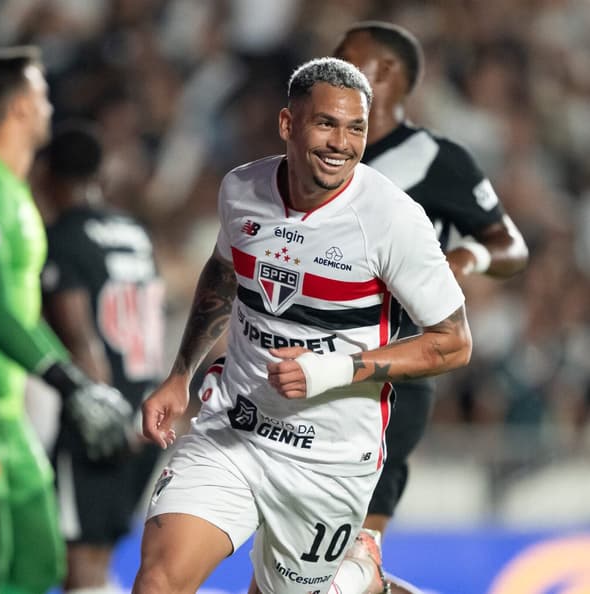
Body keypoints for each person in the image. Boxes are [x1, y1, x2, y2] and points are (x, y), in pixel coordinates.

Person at [130, 57, 473, 594]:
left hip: (328, 459)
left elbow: (453, 344)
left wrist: (335, 369)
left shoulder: (392, 219)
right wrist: (180, 375)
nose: (342, 142)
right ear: (288, 124)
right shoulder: (241, 190)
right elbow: (223, 273)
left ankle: (363, 580)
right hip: (234, 428)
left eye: (355, 127)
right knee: (158, 580)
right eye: (326, 124)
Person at [0, 47, 132, 594]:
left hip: (5, 411)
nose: (49, 107)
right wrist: (71, 384)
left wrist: (77, 383)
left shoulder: (14, 193)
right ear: (18, 108)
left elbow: (21, 312)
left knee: (38, 563)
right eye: (42, 96)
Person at [330, 21, 529, 594]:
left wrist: (463, 261)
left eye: (347, 56)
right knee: (313, 565)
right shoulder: (322, 154)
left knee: (347, 564)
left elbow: (508, 243)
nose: (333, 63)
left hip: (396, 371)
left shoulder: (434, 158)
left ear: (386, 73)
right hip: (321, 367)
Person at [38, 121, 166, 593]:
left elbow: (81, 335)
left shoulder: (65, 237)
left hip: (100, 418)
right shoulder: (134, 231)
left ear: (48, 177)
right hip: (146, 414)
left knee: (81, 567)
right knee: (100, 561)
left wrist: (104, 408)